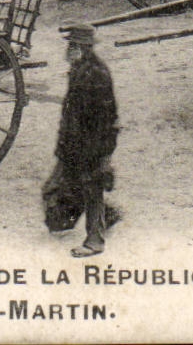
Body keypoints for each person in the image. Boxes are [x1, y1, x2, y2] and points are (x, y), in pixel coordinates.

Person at [46, 23, 121, 258]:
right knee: (62, 187)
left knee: (91, 188)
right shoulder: (80, 69)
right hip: (75, 141)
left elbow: (106, 117)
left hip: (90, 143)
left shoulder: (96, 74)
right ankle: (106, 216)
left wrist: (102, 152)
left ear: (81, 48)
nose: (67, 50)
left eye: (71, 46)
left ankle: (95, 242)